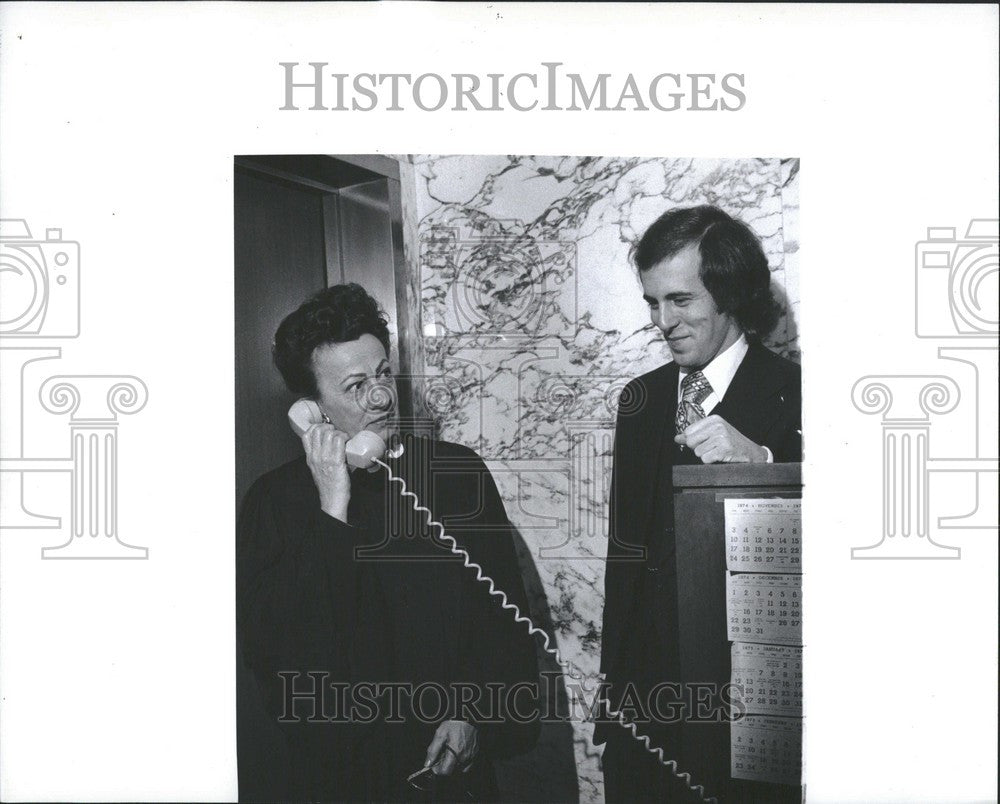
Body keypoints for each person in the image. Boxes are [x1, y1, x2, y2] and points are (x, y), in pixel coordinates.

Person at [237, 283, 539, 802]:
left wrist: (471, 714)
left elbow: (500, 619)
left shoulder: (455, 473)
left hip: (453, 767)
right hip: (347, 778)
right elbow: (283, 653)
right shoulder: (274, 503)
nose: (380, 396)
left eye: (382, 374)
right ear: (312, 408)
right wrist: (334, 503)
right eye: (355, 385)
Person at [595, 206, 802, 801]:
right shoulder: (640, 398)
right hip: (645, 708)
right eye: (653, 303)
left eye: (681, 300)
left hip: (751, 705)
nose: (664, 321)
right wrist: (615, 706)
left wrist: (760, 464)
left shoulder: (798, 392)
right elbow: (624, 558)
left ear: (731, 291)